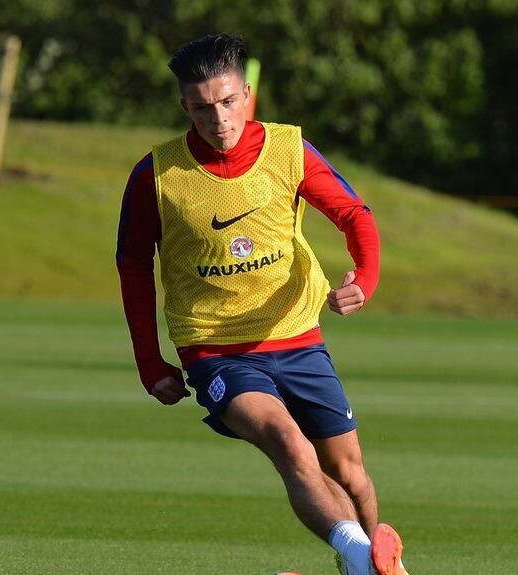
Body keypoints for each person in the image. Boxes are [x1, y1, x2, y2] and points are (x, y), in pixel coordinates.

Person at [116, 34, 409, 575]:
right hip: (215, 350)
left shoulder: (288, 149)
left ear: (246, 95)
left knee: (349, 474)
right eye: (202, 107)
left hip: (299, 337)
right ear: (185, 106)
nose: (218, 118)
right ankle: (365, 562)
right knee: (286, 441)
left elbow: (355, 215)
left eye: (228, 102)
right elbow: (132, 267)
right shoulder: (156, 175)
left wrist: (364, 278)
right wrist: (149, 360)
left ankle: (367, 561)